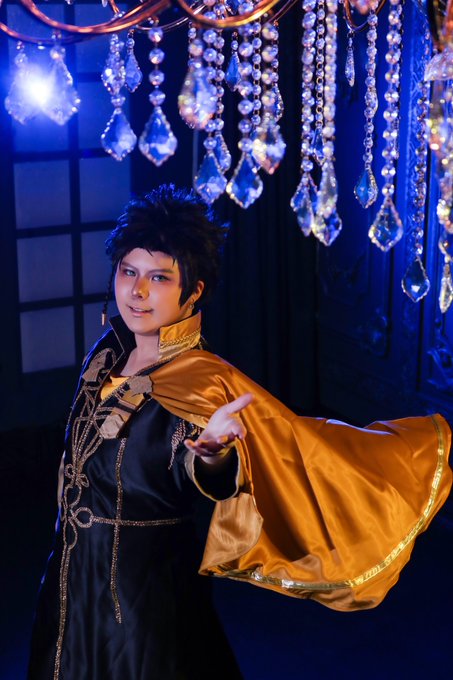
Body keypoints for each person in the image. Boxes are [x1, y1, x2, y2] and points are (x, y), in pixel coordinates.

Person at [28, 184, 452, 680]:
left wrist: (212, 454)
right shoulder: (106, 353)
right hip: (69, 583)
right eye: (128, 272)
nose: (137, 292)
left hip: (141, 602)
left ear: (193, 291)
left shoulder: (204, 383)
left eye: (159, 277)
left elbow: (207, 470)